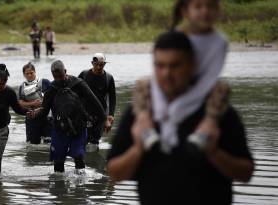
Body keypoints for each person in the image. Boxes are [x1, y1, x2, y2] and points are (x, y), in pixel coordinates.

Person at [107, 32, 254, 205]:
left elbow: (246, 173)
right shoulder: (139, 114)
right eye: (160, 66)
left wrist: (214, 152)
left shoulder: (218, 113)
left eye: (175, 66)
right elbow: (114, 173)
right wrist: (138, 148)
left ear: (192, 65)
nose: (166, 73)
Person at [30, 60, 106, 173]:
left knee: (79, 158)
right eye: (56, 77)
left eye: (61, 76)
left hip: (79, 128)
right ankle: (59, 187)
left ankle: (80, 187)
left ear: (65, 71)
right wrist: (35, 114)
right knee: (58, 162)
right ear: (53, 76)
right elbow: (44, 111)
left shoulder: (79, 84)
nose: (59, 79)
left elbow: (96, 103)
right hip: (59, 130)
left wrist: (104, 120)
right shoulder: (51, 89)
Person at [78, 53, 116, 151]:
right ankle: (83, 163)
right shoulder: (84, 74)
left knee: (95, 142)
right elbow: (75, 91)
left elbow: (112, 97)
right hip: (85, 113)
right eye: (96, 64)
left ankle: (94, 163)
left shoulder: (109, 78)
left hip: (101, 114)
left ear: (105, 64)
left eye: (102, 64)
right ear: (92, 63)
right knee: (84, 140)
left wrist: (111, 115)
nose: (99, 67)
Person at [18, 62, 51, 144]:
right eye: (27, 73)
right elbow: (20, 102)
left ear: (35, 72)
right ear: (24, 75)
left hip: (47, 118)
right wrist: (33, 104)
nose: (29, 75)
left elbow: (53, 98)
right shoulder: (22, 87)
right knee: (32, 144)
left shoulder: (45, 82)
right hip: (31, 119)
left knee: (49, 143)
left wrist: (42, 103)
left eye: (31, 73)